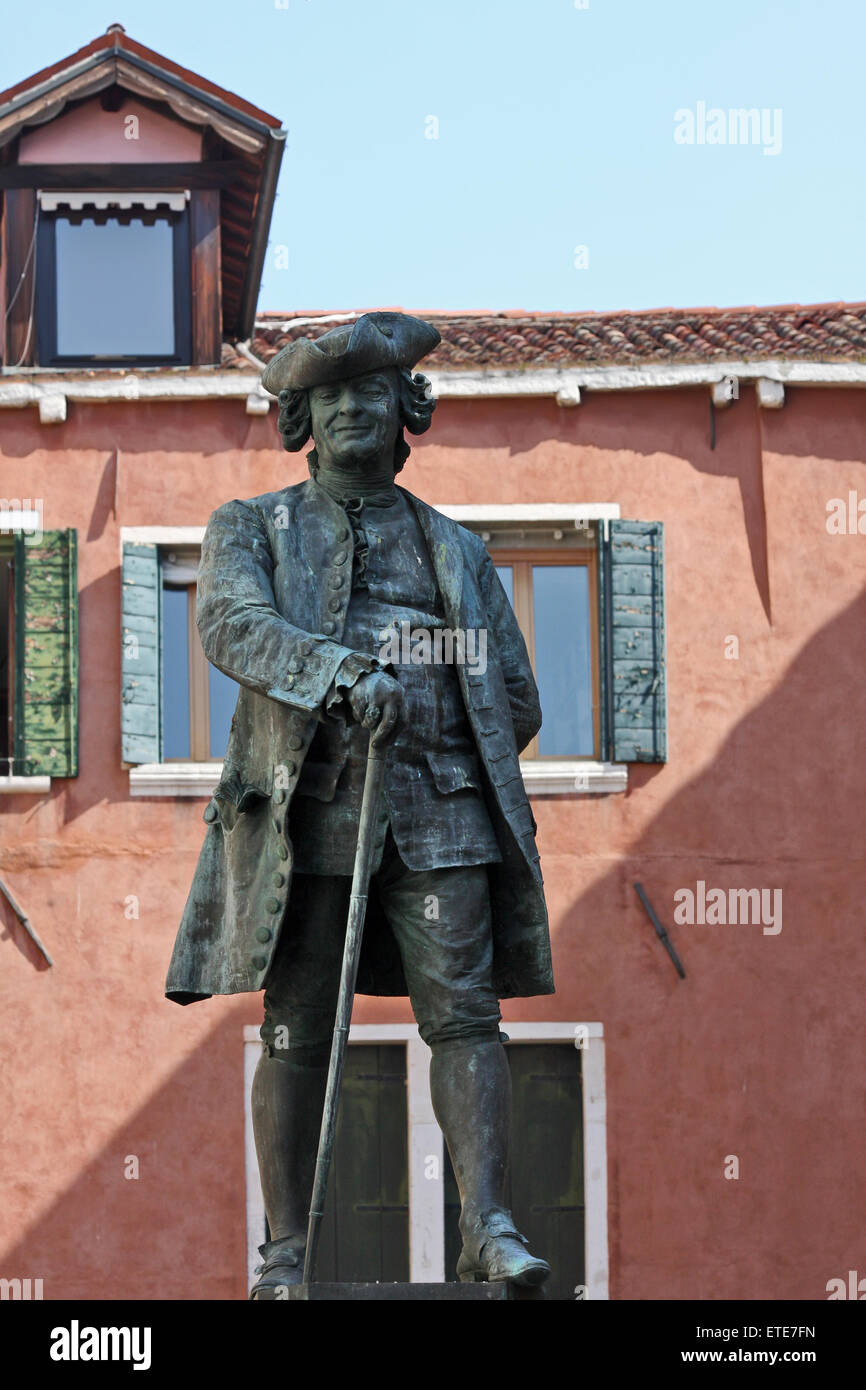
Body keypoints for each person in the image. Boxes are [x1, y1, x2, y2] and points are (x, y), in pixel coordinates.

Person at [165, 311, 555, 1295]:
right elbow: (232, 626)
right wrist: (341, 676)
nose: (350, 409)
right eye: (330, 395)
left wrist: (429, 714)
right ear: (303, 414)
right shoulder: (249, 528)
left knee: (466, 1020)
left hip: (442, 812)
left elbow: (513, 697)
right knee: (296, 1026)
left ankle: (486, 1226)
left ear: (400, 408)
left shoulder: (457, 550)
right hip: (311, 816)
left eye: (368, 392)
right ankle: (285, 1254)